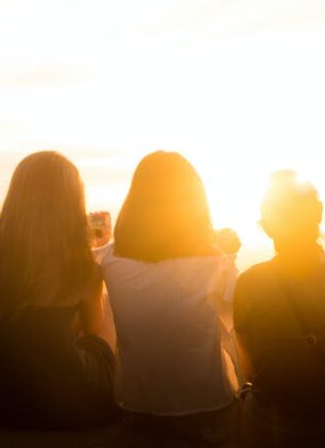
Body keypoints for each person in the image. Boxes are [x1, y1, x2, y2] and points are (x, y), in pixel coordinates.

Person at [0, 151, 118, 429]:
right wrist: (98, 248)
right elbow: (93, 329)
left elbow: (30, 310)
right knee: (106, 312)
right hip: (62, 406)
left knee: (33, 321)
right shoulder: (82, 267)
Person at [95, 151, 240, 444]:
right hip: (210, 410)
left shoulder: (106, 260)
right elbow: (234, 327)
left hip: (138, 411)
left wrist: (100, 240)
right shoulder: (217, 262)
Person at [234, 171, 325, 448]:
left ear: (268, 227)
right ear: (318, 215)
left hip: (270, 421)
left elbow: (248, 367)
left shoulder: (249, 283)